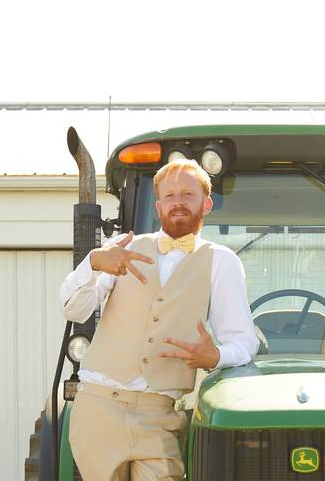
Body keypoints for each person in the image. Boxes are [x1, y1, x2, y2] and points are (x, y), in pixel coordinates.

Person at [59, 158, 259, 481]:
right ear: (159, 204)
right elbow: (74, 309)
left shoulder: (221, 262)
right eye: (170, 195)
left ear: (206, 203)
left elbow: (244, 341)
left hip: (159, 414)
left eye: (187, 195)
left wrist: (216, 356)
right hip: (98, 407)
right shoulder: (124, 246)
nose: (177, 202)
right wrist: (94, 261)